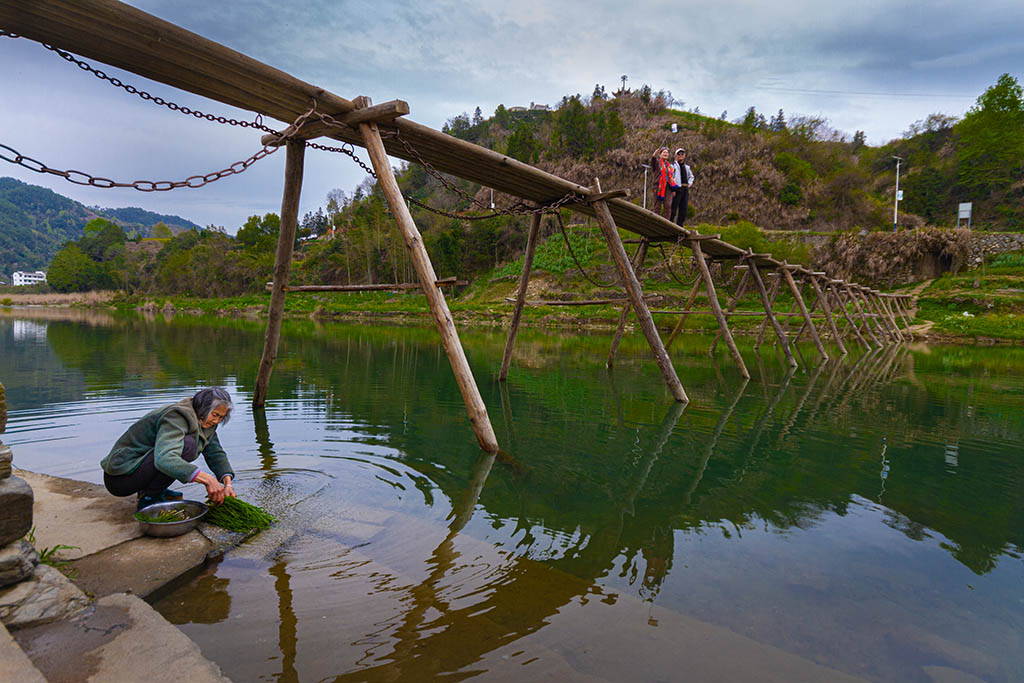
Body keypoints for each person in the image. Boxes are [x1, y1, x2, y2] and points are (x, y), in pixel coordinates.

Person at [100, 387, 238, 510]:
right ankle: (149, 498)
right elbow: (164, 459)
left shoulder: (206, 423)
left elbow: (215, 453)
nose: (217, 421)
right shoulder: (177, 415)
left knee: (186, 446)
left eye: (221, 417)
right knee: (187, 446)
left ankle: (155, 490)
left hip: (139, 469)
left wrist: (227, 483)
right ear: (203, 408)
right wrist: (207, 479)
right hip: (120, 478)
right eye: (215, 415)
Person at [649, 147, 676, 219]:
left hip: (668, 187)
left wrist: (673, 190)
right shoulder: (657, 164)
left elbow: (672, 178)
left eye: (667, 152)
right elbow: (653, 161)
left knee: (668, 205)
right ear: (660, 154)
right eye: (664, 152)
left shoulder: (670, 166)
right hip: (658, 186)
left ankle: (666, 223)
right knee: (657, 206)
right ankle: (656, 221)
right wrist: (654, 155)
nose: (665, 154)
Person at [670, 148, 694, 226]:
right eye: (679, 154)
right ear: (675, 156)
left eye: (682, 154)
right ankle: (670, 223)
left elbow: (691, 176)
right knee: (674, 207)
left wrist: (689, 183)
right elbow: (670, 177)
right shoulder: (673, 165)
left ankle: (680, 225)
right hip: (677, 188)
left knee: (683, 208)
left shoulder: (687, 167)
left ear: (684, 156)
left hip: (685, 188)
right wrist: (673, 188)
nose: (680, 156)